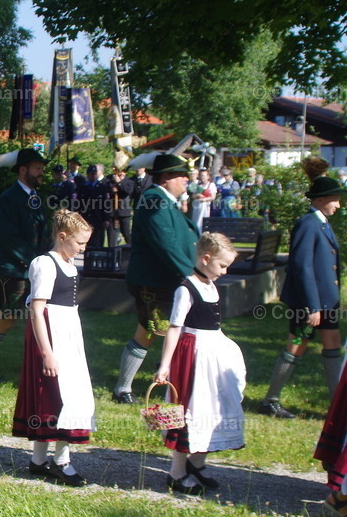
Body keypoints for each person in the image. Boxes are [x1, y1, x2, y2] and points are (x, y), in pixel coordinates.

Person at [154, 233, 246, 495]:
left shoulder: (210, 286)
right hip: (193, 355)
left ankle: (196, 463)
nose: (225, 271)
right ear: (206, 259)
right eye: (222, 265)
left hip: (212, 353)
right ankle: (176, 473)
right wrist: (165, 365)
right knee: (188, 408)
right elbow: (175, 328)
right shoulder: (186, 289)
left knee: (212, 406)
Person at [13, 210, 96, 487]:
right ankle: (61, 461)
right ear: (62, 236)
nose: (83, 248)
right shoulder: (45, 264)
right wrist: (47, 352)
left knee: (70, 392)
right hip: (51, 334)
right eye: (80, 243)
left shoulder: (69, 265)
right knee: (56, 395)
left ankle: (39, 461)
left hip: (68, 334)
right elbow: (37, 310)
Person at [112, 154, 199, 405]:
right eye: (181, 175)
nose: (186, 179)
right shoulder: (154, 200)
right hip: (155, 281)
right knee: (149, 331)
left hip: (168, 280)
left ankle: (165, 384)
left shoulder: (164, 200)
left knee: (160, 331)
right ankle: (123, 389)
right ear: (166, 177)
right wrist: (191, 275)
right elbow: (165, 244)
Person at [259, 175, 347, 419]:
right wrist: (312, 306)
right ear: (320, 200)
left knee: (333, 342)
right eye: (335, 199)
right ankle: (270, 400)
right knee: (297, 343)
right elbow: (302, 266)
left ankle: (337, 405)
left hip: (325, 301)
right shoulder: (308, 223)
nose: (338, 205)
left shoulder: (322, 222)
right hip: (310, 302)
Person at [0, 148, 52, 383]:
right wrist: (34, 263)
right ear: (23, 170)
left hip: (36, 268)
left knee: (38, 317)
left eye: (42, 168)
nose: (41, 172)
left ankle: (37, 366)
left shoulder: (35, 196)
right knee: (8, 317)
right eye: (37, 168)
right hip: (14, 270)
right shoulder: (8, 198)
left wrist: (47, 260)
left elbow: (43, 232)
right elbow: (9, 237)